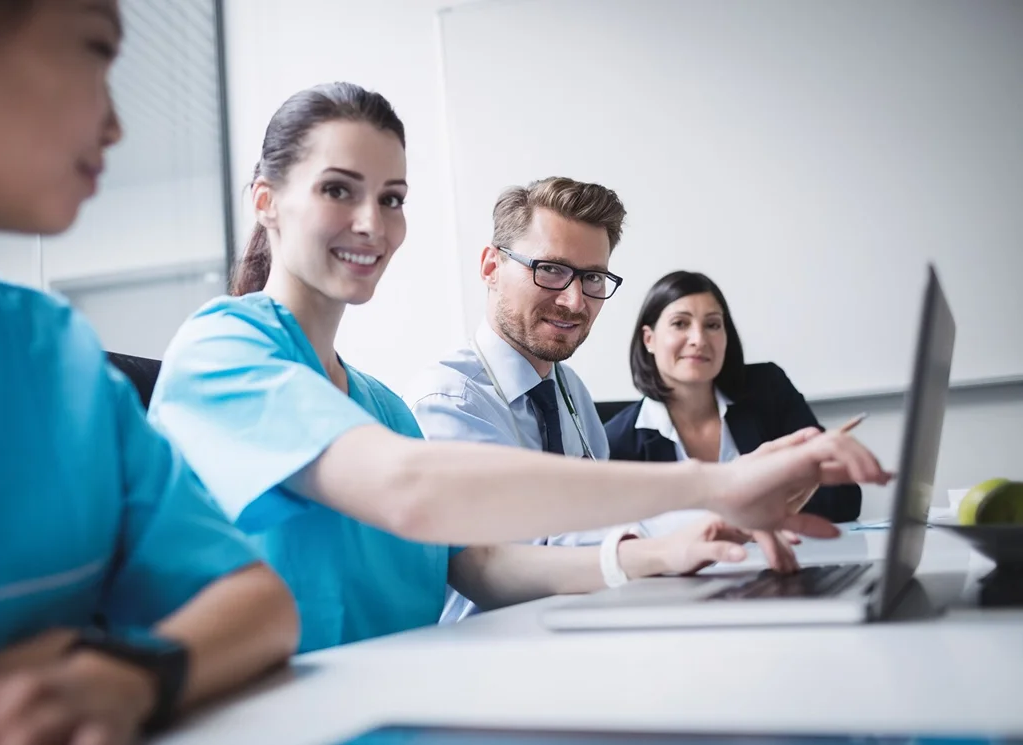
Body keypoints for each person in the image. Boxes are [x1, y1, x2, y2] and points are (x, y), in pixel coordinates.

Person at [148, 81, 889, 655]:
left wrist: (663, 552)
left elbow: (483, 566)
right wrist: (719, 482)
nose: (374, 223)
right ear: (266, 201)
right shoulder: (223, 348)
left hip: (406, 699)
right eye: (339, 189)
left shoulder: (380, 407)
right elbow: (410, 493)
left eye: (393, 197)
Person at [0, 1, 298, 743]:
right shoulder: (224, 341)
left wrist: (125, 674)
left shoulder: (54, 359)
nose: (115, 127)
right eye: (95, 51)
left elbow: (259, 602)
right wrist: (37, 670)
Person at [406, 177, 809, 623]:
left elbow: (589, 525)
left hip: (582, 622)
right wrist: (714, 502)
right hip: (491, 645)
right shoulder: (451, 399)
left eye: (593, 277)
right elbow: (522, 554)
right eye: (551, 269)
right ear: (490, 267)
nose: (574, 300)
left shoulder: (570, 389)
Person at [604, 270, 864, 530]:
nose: (699, 339)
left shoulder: (767, 389)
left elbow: (843, 497)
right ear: (649, 339)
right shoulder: (617, 441)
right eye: (680, 323)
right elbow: (622, 534)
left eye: (713, 325)